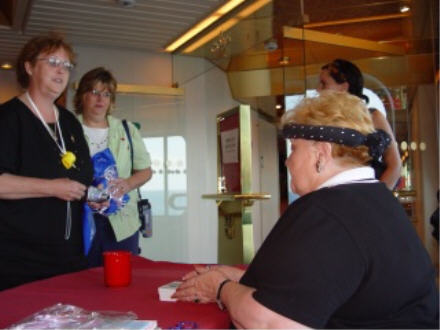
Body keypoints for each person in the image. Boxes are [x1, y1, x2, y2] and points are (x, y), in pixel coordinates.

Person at [172, 91, 439, 329]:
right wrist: (242, 278)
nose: (287, 161)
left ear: (321, 154)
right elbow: (333, 283)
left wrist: (220, 288)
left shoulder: (325, 212)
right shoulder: (376, 199)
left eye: (294, 148)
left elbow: (268, 323)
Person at [0, 34, 94, 290]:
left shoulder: (70, 122)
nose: (61, 71)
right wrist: (52, 187)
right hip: (18, 261)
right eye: (53, 62)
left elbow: (83, 176)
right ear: (29, 67)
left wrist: (93, 196)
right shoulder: (7, 119)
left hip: (69, 257)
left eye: (66, 65)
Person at [74, 67, 152, 267]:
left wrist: (127, 184)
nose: (101, 99)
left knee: (121, 282)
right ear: (82, 96)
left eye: (106, 94)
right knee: (81, 281)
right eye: (94, 92)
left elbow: (145, 170)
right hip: (80, 219)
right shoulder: (68, 129)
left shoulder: (127, 129)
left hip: (122, 221)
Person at [317, 58, 401, 189]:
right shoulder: (322, 122)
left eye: (324, 84)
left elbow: (395, 165)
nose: (318, 90)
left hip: (372, 195)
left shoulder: (373, 117)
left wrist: (377, 200)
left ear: (343, 87)